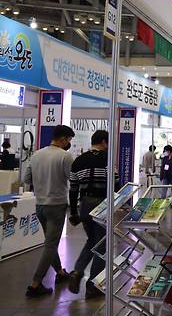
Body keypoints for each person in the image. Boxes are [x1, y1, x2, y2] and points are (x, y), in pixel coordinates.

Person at [22, 124, 75, 298]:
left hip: (40, 205)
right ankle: (35, 284)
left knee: (49, 243)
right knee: (50, 245)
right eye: (69, 140)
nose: (69, 143)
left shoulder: (36, 154)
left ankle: (60, 273)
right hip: (57, 205)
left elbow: (26, 179)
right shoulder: (65, 156)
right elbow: (72, 180)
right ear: (63, 139)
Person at [67, 130, 118, 299]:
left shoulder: (78, 160)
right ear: (104, 142)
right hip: (102, 204)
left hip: (84, 205)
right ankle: (93, 285)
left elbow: (73, 189)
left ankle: (77, 271)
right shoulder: (107, 159)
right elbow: (116, 183)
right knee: (102, 244)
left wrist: (74, 212)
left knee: (91, 240)